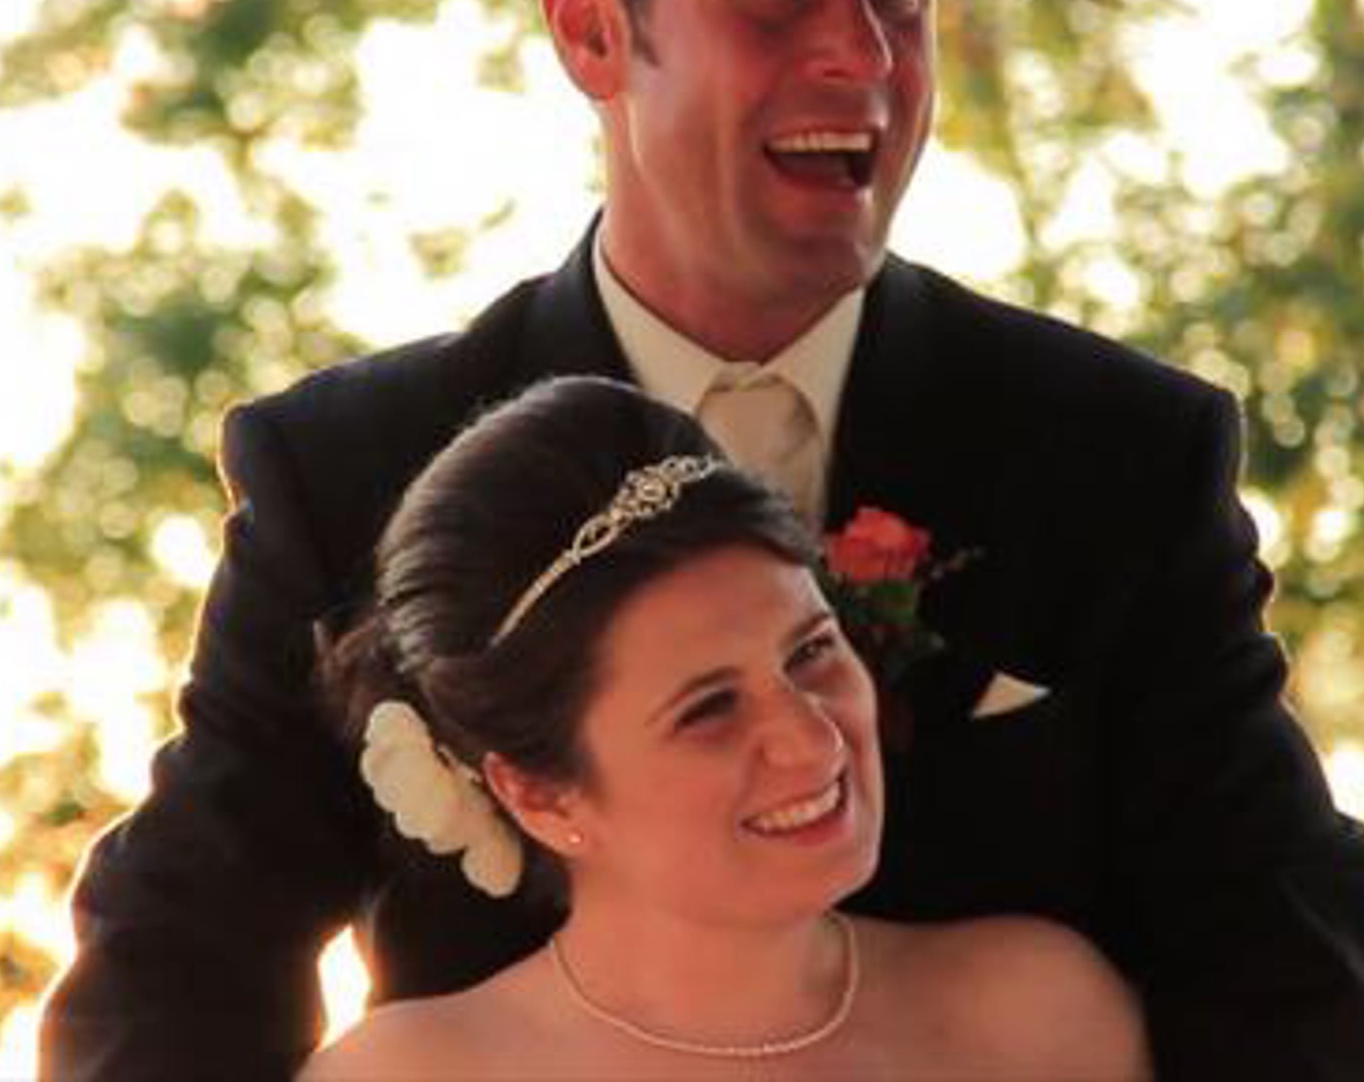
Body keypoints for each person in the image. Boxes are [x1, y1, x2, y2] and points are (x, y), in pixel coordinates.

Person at [41, 0, 1364, 1079]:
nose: (861, 54)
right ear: (593, 27)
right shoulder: (347, 470)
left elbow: (1293, 971)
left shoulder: (1115, 456)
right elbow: (179, 961)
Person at [300, 375, 1148, 1078]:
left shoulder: (1038, 1020)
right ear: (540, 794)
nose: (814, 740)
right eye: (708, 708)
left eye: (811, 651)